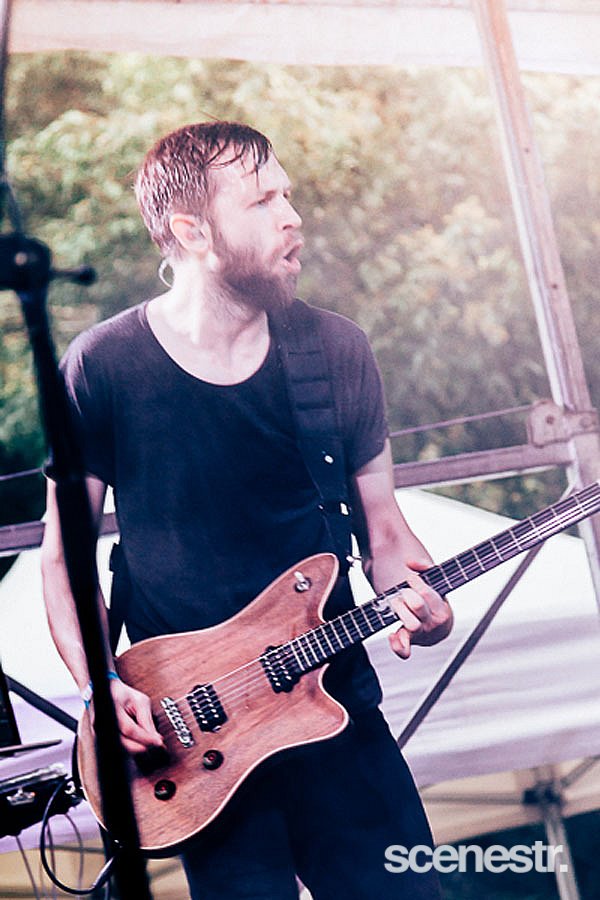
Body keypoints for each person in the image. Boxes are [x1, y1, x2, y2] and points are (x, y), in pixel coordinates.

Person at [41, 121, 453, 899]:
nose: (292, 217)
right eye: (263, 201)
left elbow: (385, 531)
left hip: (333, 707)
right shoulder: (103, 365)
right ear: (192, 231)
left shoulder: (335, 351)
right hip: (195, 736)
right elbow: (64, 560)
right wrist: (100, 684)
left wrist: (420, 601)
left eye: (288, 196)